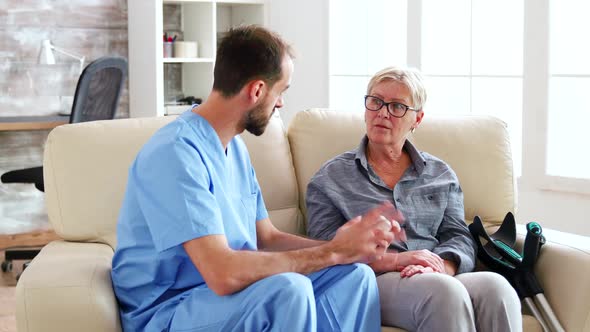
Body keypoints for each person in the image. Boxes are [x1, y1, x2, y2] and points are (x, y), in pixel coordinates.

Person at [111, 25, 402, 332]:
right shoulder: (175, 153)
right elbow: (221, 273)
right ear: (257, 90)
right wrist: (332, 252)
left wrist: (348, 249)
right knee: (289, 291)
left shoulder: (233, 146)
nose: (281, 104)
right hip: (172, 309)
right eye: (281, 91)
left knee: (354, 275)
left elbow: (267, 239)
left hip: (230, 297)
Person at [306, 66, 523, 332]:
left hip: (433, 272)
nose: (383, 112)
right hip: (375, 277)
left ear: (417, 119)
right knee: (442, 292)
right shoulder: (331, 178)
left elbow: (459, 235)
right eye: (375, 102)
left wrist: (442, 266)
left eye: (397, 106)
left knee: (497, 287)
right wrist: (398, 261)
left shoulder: (440, 173)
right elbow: (323, 251)